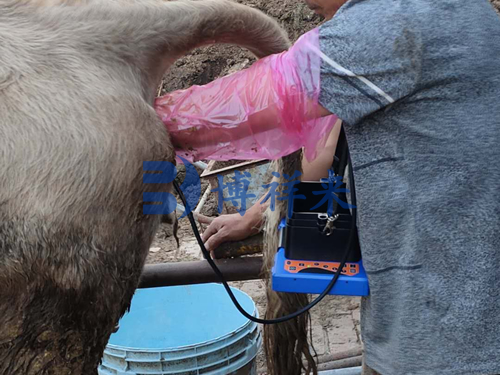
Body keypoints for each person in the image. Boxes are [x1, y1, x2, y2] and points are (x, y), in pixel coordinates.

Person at [158, 1, 500, 374]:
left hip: (442, 340)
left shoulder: (391, 20)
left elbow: (240, 108)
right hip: (465, 313)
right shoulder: (465, 10)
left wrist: (129, 114)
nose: (305, 2)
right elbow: (318, 157)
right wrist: (254, 215)